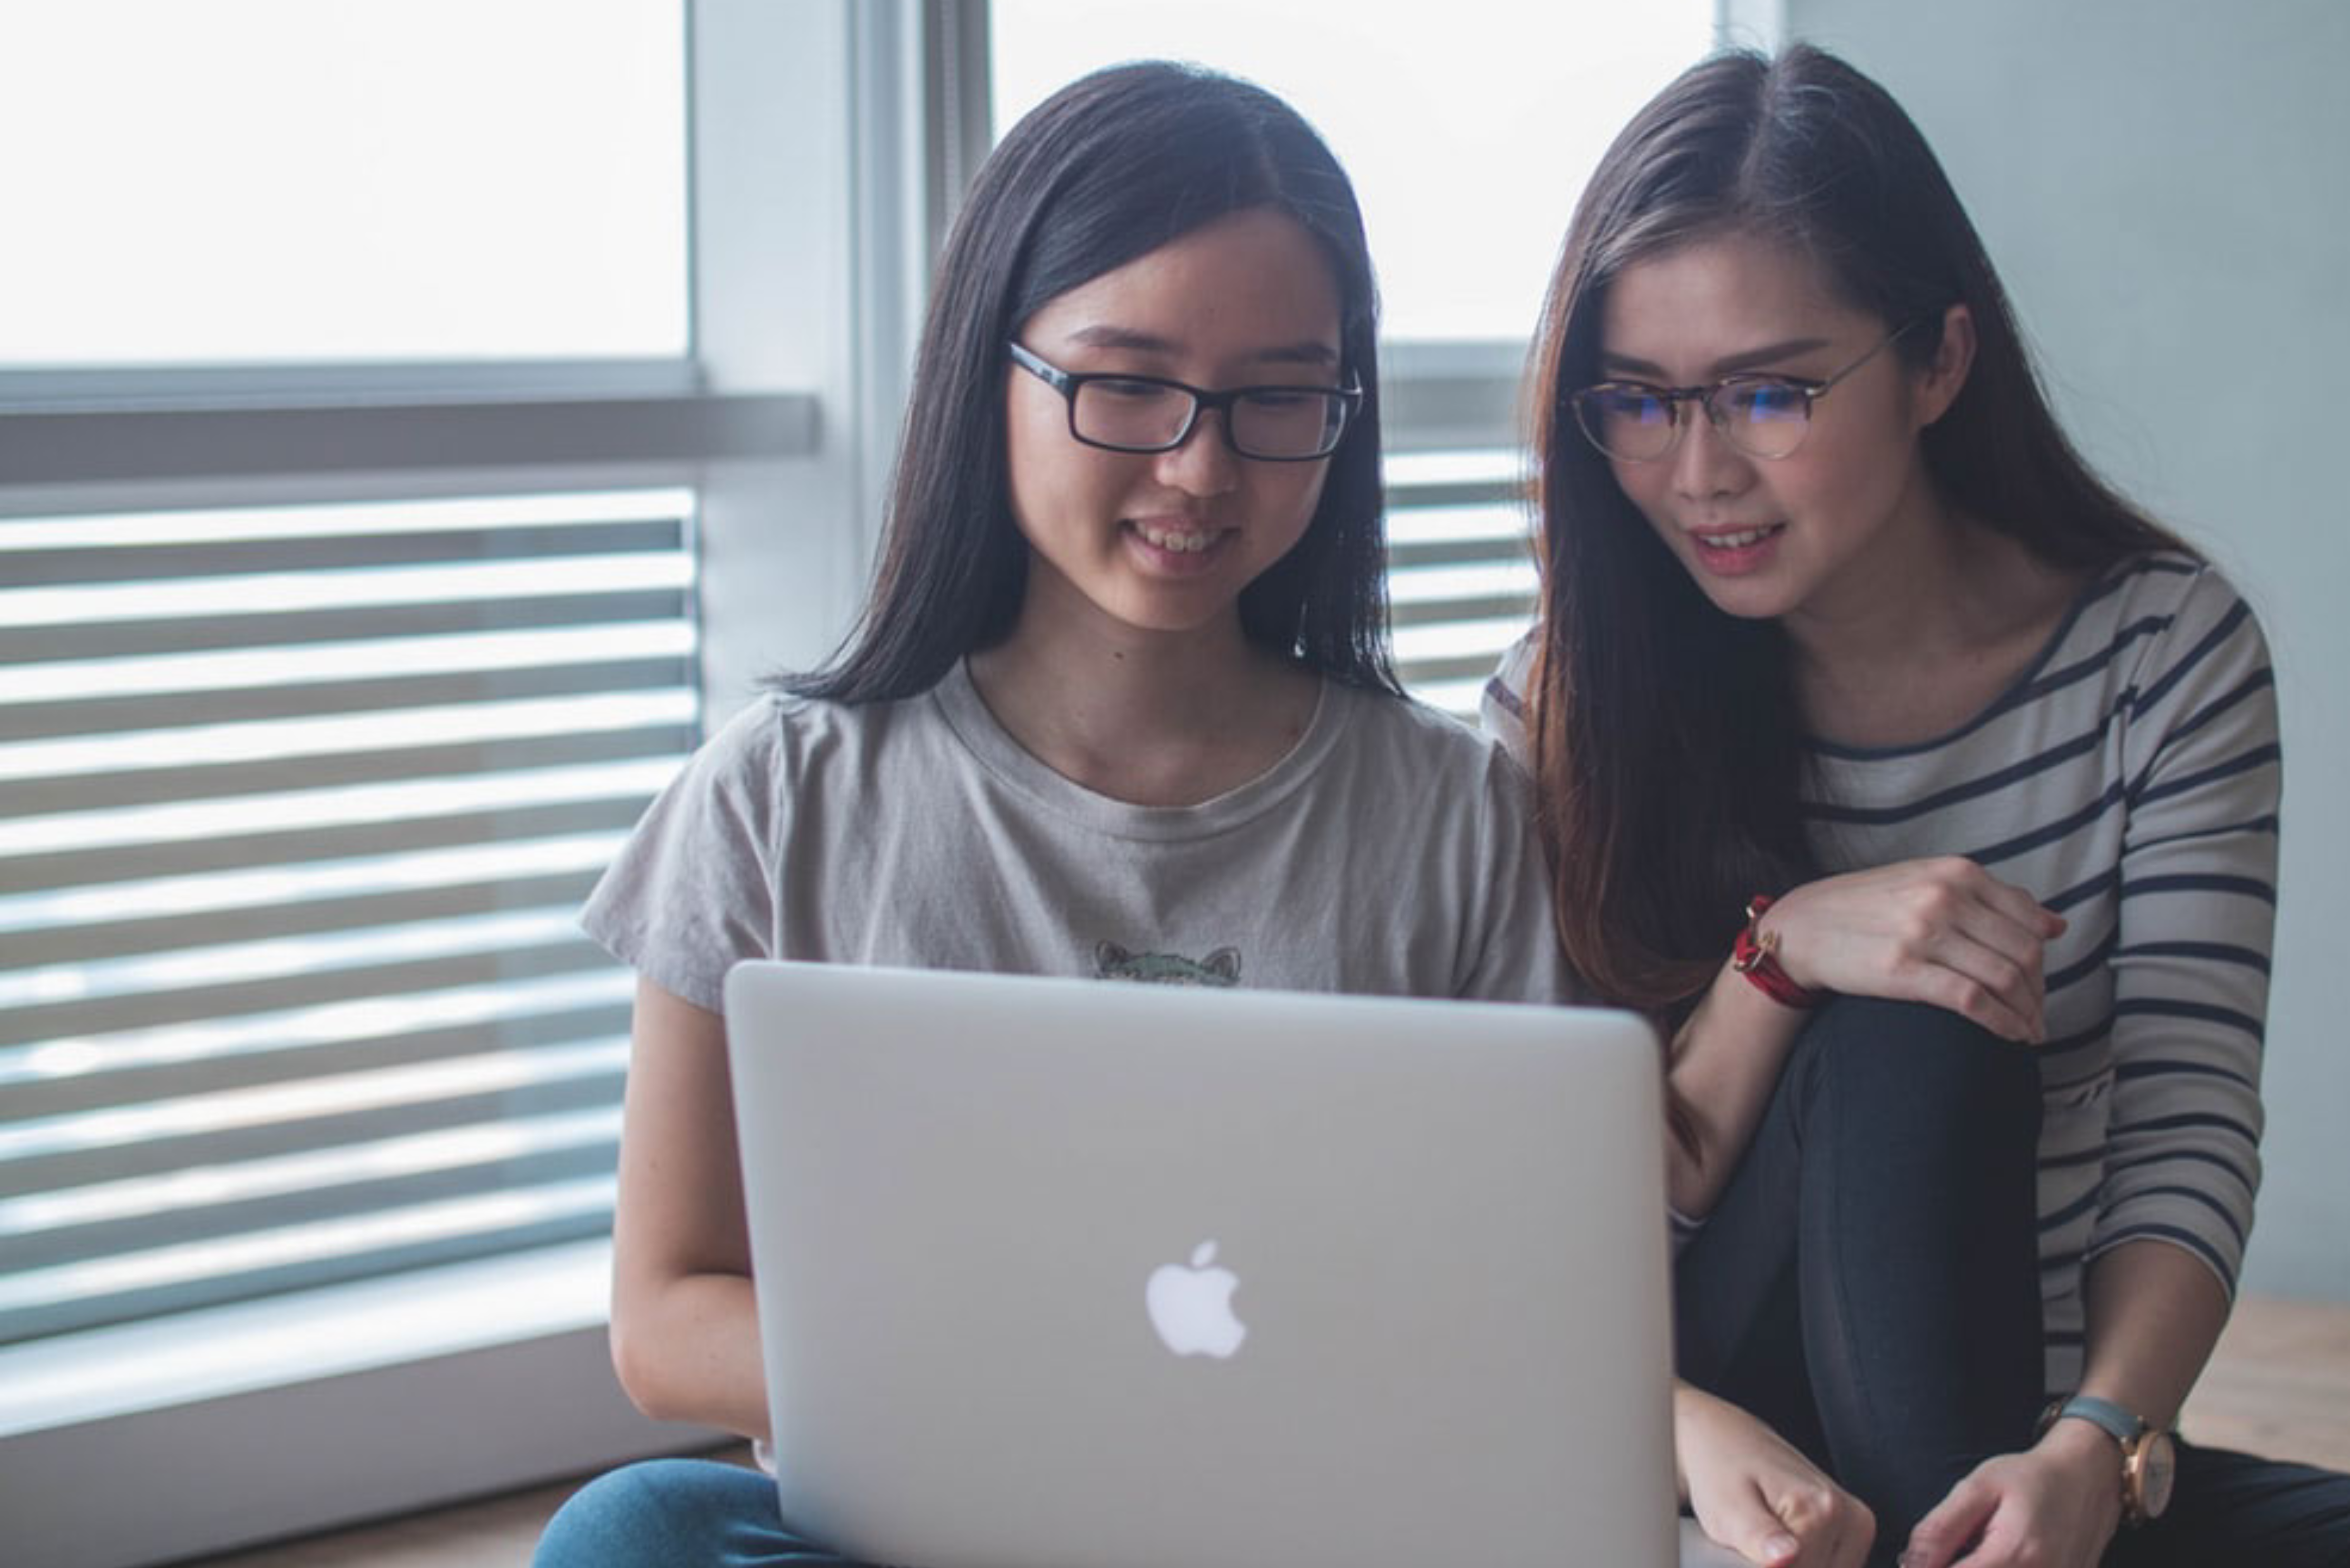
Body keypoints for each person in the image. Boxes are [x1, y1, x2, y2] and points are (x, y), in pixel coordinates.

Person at [531, 60, 1582, 1567]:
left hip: (1304, 1519)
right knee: (636, 1531)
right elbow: (670, 1314)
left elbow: (1517, 1293)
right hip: (927, 1513)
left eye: (1280, 394)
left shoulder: (1458, 814)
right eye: (1129, 380)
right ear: (991, 372)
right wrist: (1060, 1387)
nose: (1200, 463)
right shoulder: (778, 795)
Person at [1487, 42, 2350, 1568]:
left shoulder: (2161, 652)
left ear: (1941, 362)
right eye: (1638, 399)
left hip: (2014, 1434)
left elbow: (2185, 1125)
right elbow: (1556, 1215)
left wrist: (2099, 1444)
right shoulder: (1564, 696)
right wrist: (1782, 952)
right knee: (1907, 1021)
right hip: (1700, 1433)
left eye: (1768, 391)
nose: (1700, 474)